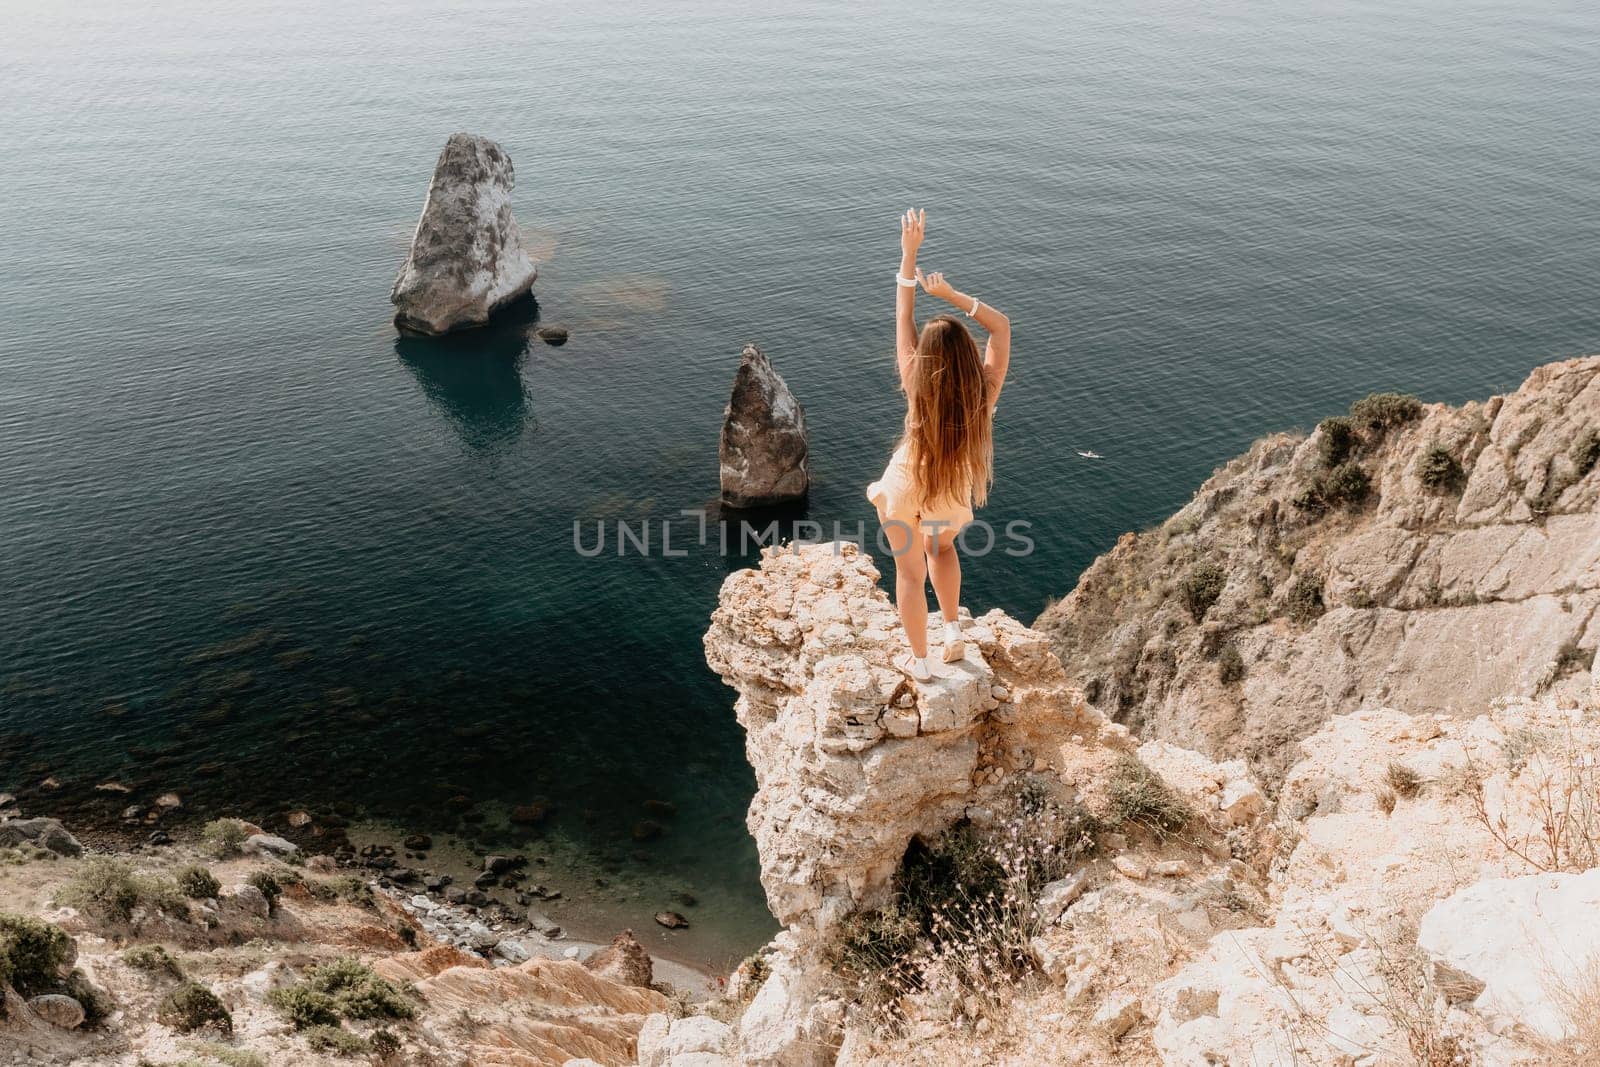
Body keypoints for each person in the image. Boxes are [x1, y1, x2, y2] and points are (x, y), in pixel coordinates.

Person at [868, 208, 1011, 681]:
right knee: (942, 551)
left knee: (908, 574)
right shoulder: (984, 392)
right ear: (968, 357)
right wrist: (952, 295)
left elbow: (903, 312)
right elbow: (1001, 328)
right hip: (951, 488)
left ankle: (921, 662)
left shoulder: (915, 380)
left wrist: (909, 255)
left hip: (906, 484)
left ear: (925, 359)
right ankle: (952, 631)